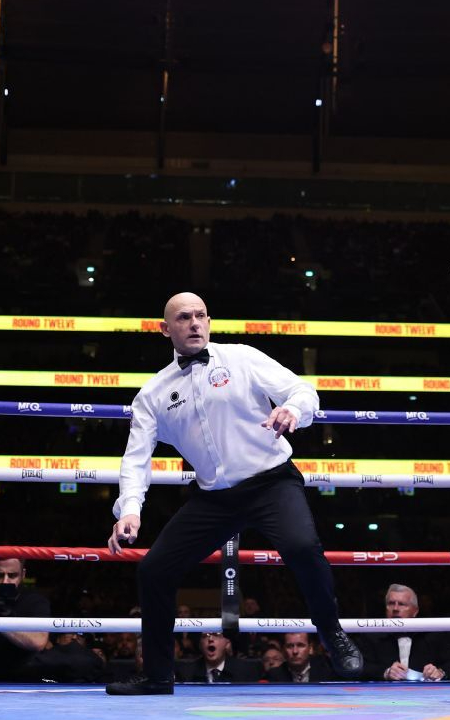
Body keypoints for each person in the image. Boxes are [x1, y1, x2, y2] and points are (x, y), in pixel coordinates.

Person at [103, 292, 361, 695]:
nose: (194, 323)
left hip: (271, 481)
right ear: (164, 329)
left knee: (302, 545)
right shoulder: (153, 394)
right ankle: (157, 675)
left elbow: (303, 391)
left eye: (200, 316)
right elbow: (136, 459)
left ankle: (331, 633)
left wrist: (292, 410)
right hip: (214, 498)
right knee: (153, 570)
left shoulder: (241, 358)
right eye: (184, 317)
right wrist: (130, 510)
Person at [0, 558, 103, 683]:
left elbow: (38, 642)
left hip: (24, 672)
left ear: (23, 575)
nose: (5, 581)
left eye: (12, 575)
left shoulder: (35, 601)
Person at [357, 584, 446, 681]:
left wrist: (440, 672)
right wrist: (385, 672)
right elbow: (358, 667)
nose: (395, 608)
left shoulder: (432, 636)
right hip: (383, 694)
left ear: (415, 611)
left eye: (401, 604)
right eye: (391, 603)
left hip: (426, 694)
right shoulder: (371, 636)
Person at [176, 632, 260, 683]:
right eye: (205, 636)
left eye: (217, 635)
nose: (210, 639)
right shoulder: (185, 673)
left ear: (227, 643)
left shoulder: (245, 671)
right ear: (200, 645)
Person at [264, 632, 334, 683]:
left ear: (310, 648)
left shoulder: (326, 670)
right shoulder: (274, 675)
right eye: (290, 646)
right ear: (284, 650)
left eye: (300, 645)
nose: (295, 651)